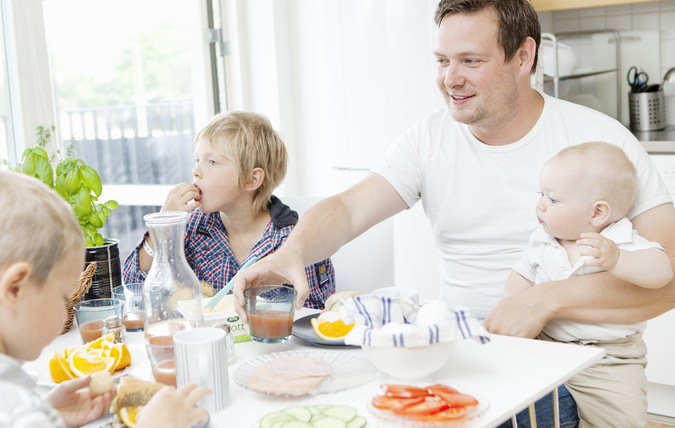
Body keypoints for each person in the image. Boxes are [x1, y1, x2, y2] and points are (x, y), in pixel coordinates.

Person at [232, 0, 675, 426]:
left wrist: (543, 301)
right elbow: (349, 209)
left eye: (470, 61)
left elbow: (667, 279)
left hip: (571, 364)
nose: (450, 79)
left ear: (523, 57)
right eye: (442, 61)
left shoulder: (598, 142)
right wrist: (293, 251)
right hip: (458, 350)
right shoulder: (428, 139)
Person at [0, 170, 211, 428]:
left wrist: (47, 413)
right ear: (14, 290)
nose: (71, 306)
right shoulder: (17, 410)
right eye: (64, 296)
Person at [505, 142, 672, 427]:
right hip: (548, 345)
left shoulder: (621, 241)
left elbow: (663, 273)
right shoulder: (543, 240)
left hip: (609, 359)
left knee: (620, 420)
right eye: (541, 194)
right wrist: (512, 307)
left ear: (597, 213)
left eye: (553, 200)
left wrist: (619, 260)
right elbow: (520, 275)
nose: (541, 205)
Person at [123, 111, 335, 309]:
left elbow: (313, 313)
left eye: (212, 162)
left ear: (251, 179)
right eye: (197, 160)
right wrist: (162, 227)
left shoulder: (295, 241)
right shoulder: (193, 226)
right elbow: (134, 284)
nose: (195, 171)